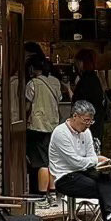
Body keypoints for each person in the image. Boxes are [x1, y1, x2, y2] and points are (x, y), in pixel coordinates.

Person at [25, 53, 62, 200]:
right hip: (53, 125)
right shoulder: (55, 81)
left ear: (32, 68)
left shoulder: (33, 84)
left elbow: (27, 105)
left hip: (37, 126)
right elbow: (59, 99)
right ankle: (52, 192)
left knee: (41, 162)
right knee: (51, 159)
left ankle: (41, 195)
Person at [72, 49, 107, 144]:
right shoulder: (94, 78)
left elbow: (79, 102)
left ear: (82, 62)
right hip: (95, 123)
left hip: (86, 125)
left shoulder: (85, 80)